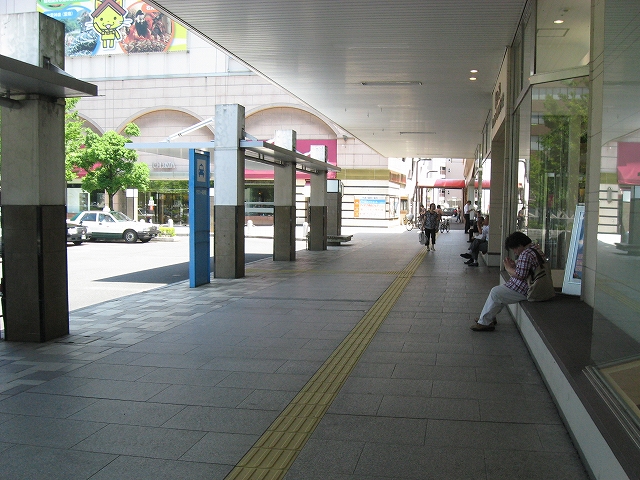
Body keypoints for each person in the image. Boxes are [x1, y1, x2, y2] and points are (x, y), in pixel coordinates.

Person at [471, 231, 545, 331]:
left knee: (496, 292)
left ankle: (485, 322)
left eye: (514, 249)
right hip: (533, 284)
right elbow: (528, 269)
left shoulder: (526, 254)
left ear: (520, 245)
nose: (514, 252)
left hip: (528, 289)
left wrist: (508, 268)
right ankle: (488, 317)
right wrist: (515, 265)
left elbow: (520, 275)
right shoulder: (535, 249)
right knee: (499, 292)